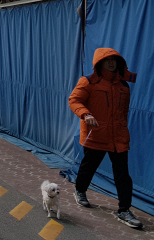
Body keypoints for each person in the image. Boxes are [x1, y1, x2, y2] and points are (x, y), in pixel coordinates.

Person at [69, 48, 141, 229]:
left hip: (118, 137)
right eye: (107, 60)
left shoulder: (124, 86)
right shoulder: (88, 82)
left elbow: (123, 113)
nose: (111, 63)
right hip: (96, 134)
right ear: (98, 63)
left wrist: (122, 130)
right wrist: (85, 115)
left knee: (123, 175)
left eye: (114, 60)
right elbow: (74, 100)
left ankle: (124, 210)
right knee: (89, 167)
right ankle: (80, 190)